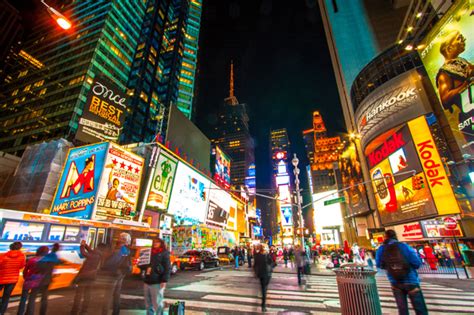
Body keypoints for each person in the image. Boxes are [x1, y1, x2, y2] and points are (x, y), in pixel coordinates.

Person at [376, 230, 428, 315]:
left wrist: (390, 267)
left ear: (385, 237)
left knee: (402, 310)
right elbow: (417, 263)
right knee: (420, 309)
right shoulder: (404, 246)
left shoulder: (381, 248)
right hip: (411, 280)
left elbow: (379, 264)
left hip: (395, 281)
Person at [436, 30, 474, 145]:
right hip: (469, 117)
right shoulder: (444, 72)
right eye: (459, 38)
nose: (463, 40)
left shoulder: (461, 61)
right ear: (449, 48)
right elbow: (445, 100)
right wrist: (465, 84)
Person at [100, 232, 132, 315]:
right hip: (121, 274)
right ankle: (116, 312)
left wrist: (104, 265)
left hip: (114, 273)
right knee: (116, 294)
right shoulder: (127, 250)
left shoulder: (119, 249)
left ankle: (105, 312)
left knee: (108, 295)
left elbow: (112, 262)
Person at [71, 241, 106, 315]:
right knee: (87, 295)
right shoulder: (99, 254)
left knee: (79, 295)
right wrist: (86, 245)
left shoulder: (95, 254)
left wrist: (82, 246)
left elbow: (84, 253)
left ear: (98, 247)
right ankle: (84, 311)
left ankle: (75, 311)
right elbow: (91, 251)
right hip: (92, 277)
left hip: (85, 276)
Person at [27, 243, 62, 315]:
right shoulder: (53, 258)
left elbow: (38, 268)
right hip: (47, 280)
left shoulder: (41, 259)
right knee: (44, 298)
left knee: (32, 298)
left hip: (38, 280)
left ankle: (30, 313)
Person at [141, 238, 170, 315]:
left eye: (157, 242)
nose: (155, 243)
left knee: (157, 302)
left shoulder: (164, 253)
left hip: (157, 280)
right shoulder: (148, 252)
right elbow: (142, 266)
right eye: (154, 242)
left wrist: (164, 280)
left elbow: (167, 267)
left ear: (161, 243)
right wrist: (141, 263)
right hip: (147, 279)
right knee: (148, 303)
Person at [18, 246, 49, 315]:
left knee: (23, 299)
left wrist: (26, 277)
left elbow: (25, 271)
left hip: (28, 280)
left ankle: (20, 313)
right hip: (38, 282)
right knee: (32, 299)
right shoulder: (46, 262)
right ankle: (29, 313)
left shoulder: (32, 260)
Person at [0, 242, 26, 315]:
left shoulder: (4, 255)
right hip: (13, 279)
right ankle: (1, 312)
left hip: (1, 278)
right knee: (6, 297)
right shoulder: (22, 256)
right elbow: (21, 266)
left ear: (10, 247)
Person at [253, 245, 273, 312]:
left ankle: (263, 304)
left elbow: (255, 265)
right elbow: (272, 263)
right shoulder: (266, 255)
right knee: (264, 289)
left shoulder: (258, 255)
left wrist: (256, 273)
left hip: (261, 274)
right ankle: (263, 305)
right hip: (266, 274)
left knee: (263, 288)